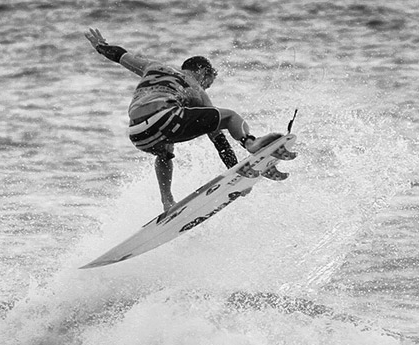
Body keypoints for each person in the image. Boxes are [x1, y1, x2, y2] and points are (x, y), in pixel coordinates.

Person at [85, 28, 277, 211]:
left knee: (165, 152)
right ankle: (251, 142)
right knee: (230, 116)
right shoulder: (195, 87)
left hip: (138, 133)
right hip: (162, 119)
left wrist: (101, 46)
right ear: (202, 72)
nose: (205, 88)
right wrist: (236, 171)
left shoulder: (153, 66)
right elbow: (217, 137)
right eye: (207, 84)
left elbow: (120, 55)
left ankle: (167, 201)